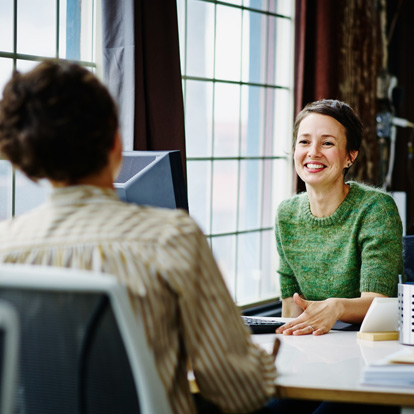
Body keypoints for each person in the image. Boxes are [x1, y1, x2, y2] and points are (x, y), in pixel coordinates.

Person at [0, 60, 280, 414]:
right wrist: (262, 360)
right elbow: (239, 392)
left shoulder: (5, 247)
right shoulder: (171, 238)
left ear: (28, 163)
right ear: (116, 144)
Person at [275, 99, 403, 336]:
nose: (313, 152)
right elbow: (291, 308)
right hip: (315, 343)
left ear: (350, 157)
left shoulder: (376, 209)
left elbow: (379, 303)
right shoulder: (286, 214)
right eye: (304, 141)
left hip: (369, 342)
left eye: (327, 143)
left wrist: (337, 306)